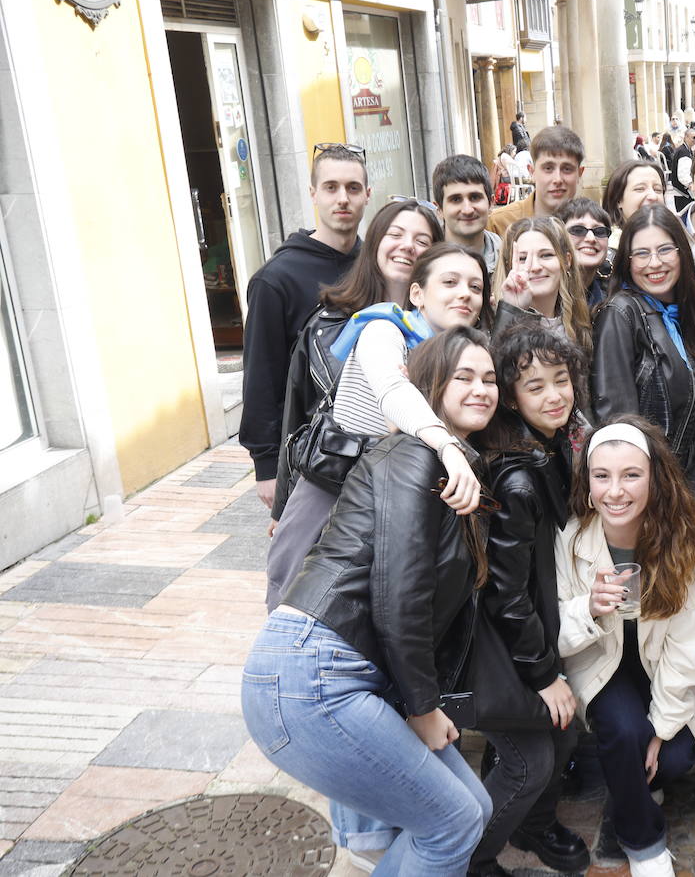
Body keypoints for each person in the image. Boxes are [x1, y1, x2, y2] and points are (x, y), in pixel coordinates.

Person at [241, 327, 498, 876]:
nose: (482, 388)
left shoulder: (449, 468)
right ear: (427, 387)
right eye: (465, 377)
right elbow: (399, 592)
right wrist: (422, 709)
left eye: (490, 378)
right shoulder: (414, 453)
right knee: (450, 823)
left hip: (338, 671)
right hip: (313, 675)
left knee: (472, 808)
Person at [266, 212, 486, 611]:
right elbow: (392, 391)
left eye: (475, 287)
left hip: (391, 502)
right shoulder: (384, 329)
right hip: (332, 491)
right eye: (450, 283)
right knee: (295, 607)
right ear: (418, 294)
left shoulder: (458, 355)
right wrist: (448, 447)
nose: (464, 294)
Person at [555, 417, 695, 877]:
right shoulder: (570, 539)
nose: (616, 490)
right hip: (600, 661)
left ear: (655, 478)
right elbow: (549, 630)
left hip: (662, 666)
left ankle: (628, 775)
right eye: (602, 476)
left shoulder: (683, 541)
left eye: (631, 475)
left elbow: (690, 647)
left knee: (672, 756)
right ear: (588, 484)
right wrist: (587, 609)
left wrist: (662, 725)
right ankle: (643, 842)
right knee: (624, 731)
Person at [469, 325, 591, 877]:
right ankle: (485, 847)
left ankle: (534, 822)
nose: (554, 396)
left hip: (541, 624)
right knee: (537, 751)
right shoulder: (518, 477)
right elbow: (506, 594)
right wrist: (544, 674)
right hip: (505, 642)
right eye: (535, 387)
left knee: (560, 735)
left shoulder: (556, 445)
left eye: (560, 381)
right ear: (512, 400)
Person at [242, 143, 369, 510]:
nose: (342, 198)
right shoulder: (275, 280)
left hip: (370, 448)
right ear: (313, 194)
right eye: (330, 187)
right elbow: (260, 377)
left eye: (353, 188)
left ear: (366, 195)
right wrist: (266, 467)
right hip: (305, 458)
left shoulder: (374, 265)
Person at [589, 204, 695, 504]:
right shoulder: (621, 315)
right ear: (627, 262)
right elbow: (618, 420)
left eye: (664, 250)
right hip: (653, 498)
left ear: (682, 253)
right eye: (642, 253)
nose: (654, 263)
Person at [493, 217, 594, 352]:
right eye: (522, 258)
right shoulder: (494, 323)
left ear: (566, 260)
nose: (534, 267)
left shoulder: (583, 326)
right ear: (508, 266)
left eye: (546, 255)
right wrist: (513, 312)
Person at [489, 126, 586, 235]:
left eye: (567, 169)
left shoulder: (591, 228)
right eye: (548, 168)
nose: (558, 179)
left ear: (579, 173)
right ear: (532, 172)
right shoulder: (499, 224)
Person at [432, 154, 500, 273]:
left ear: (491, 203)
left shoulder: (512, 260)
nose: (467, 210)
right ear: (439, 209)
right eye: (456, 199)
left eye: (474, 197)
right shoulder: (422, 263)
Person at [555, 197, 614, 307]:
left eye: (599, 231)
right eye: (578, 230)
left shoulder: (615, 293)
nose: (591, 238)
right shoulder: (542, 292)